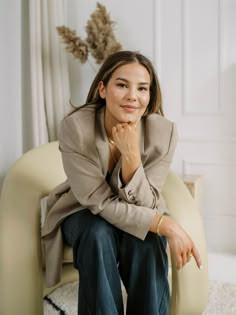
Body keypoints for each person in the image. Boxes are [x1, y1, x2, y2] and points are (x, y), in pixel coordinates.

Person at [42, 50, 202, 315]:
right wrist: (165, 224)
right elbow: (99, 202)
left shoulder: (164, 133)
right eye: (122, 85)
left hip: (135, 211)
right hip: (85, 211)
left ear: (150, 96)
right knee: (98, 233)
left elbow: (148, 202)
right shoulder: (76, 128)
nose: (132, 97)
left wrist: (131, 157)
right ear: (103, 89)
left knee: (149, 240)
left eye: (142, 88)